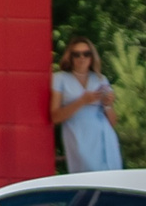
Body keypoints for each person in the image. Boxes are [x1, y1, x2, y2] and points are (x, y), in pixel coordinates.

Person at [51, 38, 122, 174]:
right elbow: (55, 117)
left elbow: (112, 122)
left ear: (92, 56)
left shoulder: (100, 79)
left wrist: (108, 105)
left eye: (86, 54)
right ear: (70, 57)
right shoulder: (60, 78)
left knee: (110, 177)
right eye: (76, 54)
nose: (81, 58)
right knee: (87, 177)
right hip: (78, 133)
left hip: (104, 135)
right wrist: (82, 101)